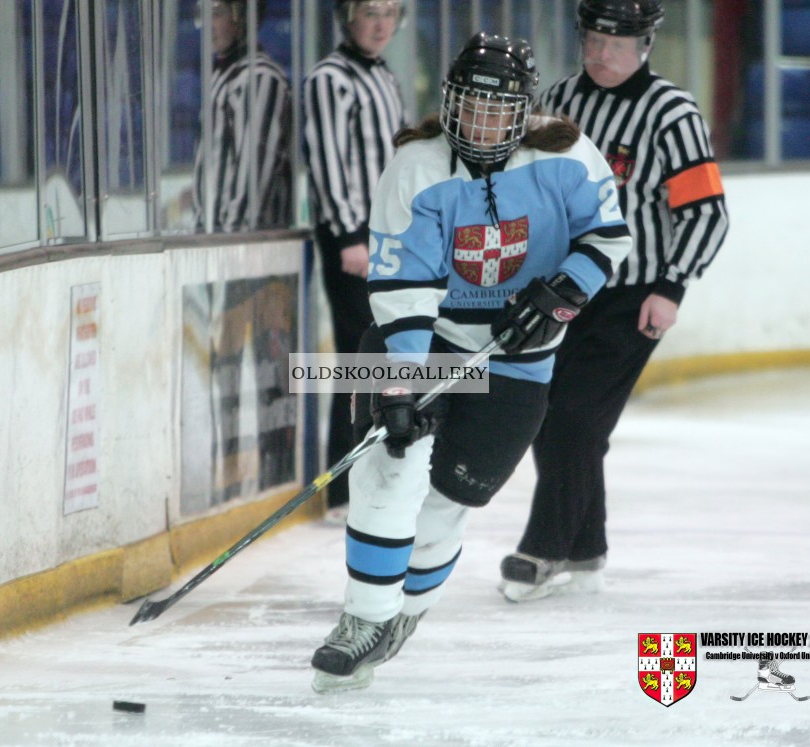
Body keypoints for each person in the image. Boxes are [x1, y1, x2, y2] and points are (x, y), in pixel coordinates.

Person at [309, 32, 633, 693]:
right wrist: (399, 384)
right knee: (385, 468)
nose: (481, 125)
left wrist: (560, 293)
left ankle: (402, 616)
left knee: (449, 499)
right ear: (448, 101)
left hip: (519, 363)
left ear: (525, 112)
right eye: (470, 106)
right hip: (425, 341)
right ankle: (361, 617)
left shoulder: (568, 154)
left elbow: (608, 236)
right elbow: (402, 286)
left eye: (498, 111)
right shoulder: (415, 166)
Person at [497, 0, 730, 603]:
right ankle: (585, 546)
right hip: (564, 286)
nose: (602, 56)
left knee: (575, 417)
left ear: (646, 45)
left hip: (633, 293)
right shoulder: (560, 98)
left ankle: (544, 549)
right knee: (552, 412)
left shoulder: (672, 112)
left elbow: (706, 211)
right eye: (593, 42)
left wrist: (672, 286)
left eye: (617, 46)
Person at [303, 0, 407, 518]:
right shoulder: (330, 78)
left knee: (377, 354)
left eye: (391, 12)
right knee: (358, 357)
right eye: (371, 11)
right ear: (348, 16)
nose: (381, 23)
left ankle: (365, 475)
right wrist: (348, 236)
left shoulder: (383, 76)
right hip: (353, 239)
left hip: (381, 236)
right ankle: (343, 488)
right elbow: (326, 161)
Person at [192, 0, 292, 232]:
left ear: (244, 18)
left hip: (245, 245)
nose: (208, 24)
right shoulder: (222, 74)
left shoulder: (259, 77)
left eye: (217, 14)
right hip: (217, 238)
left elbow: (255, 170)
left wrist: (233, 236)